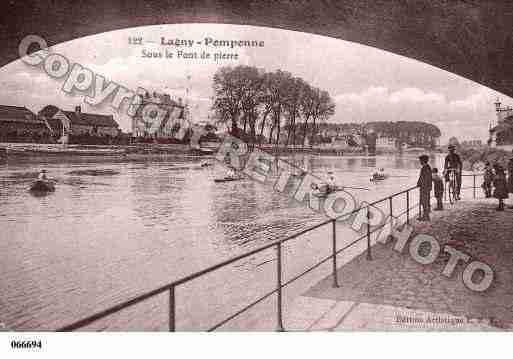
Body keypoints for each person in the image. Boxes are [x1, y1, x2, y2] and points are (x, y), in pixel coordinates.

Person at [417, 155, 432, 221]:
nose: (420, 162)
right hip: (427, 187)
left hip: (424, 188)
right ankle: (425, 216)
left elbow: (423, 178)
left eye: (420, 160)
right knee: (425, 201)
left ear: (423, 161)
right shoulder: (428, 167)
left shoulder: (425, 168)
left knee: (424, 201)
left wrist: (419, 184)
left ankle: (426, 217)